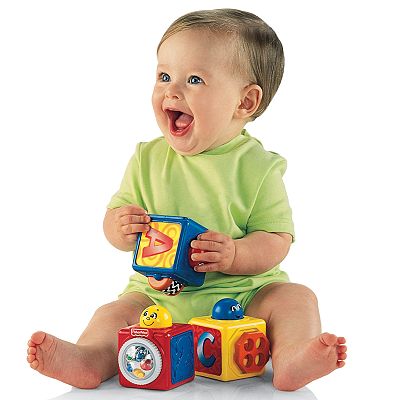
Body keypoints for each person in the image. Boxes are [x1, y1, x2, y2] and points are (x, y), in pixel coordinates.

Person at [26, 8, 347, 391]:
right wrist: (121, 226)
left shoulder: (259, 167)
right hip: (156, 297)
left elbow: (276, 240)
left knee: (295, 298)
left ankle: (292, 355)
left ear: (245, 102)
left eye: (194, 79)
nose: (171, 91)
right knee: (115, 312)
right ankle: (90, 357)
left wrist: (235, 254)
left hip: (244, 296)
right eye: (164, 76)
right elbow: (114, 222)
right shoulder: (147, 159)